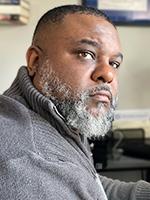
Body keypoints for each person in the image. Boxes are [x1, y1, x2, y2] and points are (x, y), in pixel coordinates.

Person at [0, 4, 150, 200]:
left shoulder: (54, 117)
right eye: (86, 54)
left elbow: (84, 183)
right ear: (35, 61)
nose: (108, 74)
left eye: (114, 63)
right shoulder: (29, 162)